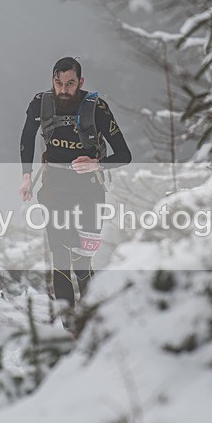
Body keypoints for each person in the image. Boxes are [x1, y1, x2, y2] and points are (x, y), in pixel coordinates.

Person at [18, 56, 132, 314]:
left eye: (70, 83)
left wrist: (97, 165)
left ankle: (90, 320)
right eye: (59, 83)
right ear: (52, 81)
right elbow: (26, 136)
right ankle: (67, 324)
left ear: (80, 82)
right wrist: (26, 176)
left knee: (82, 260)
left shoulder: (96, 108)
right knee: (59, 255)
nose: (64, 90)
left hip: (89, 188)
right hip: (54, 185)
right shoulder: (41, 104)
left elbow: (124, 155)